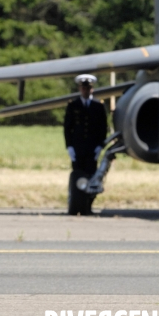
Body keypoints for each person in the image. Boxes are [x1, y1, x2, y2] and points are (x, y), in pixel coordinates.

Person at [64, 74, 108, 215]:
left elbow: (103, 128)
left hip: (91, 149)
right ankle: (76, 205)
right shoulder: (73, 106)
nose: (85, 90)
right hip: (78, 149)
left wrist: (100, 146)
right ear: (80, 89)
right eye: (83, 88)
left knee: (91, 177)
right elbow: (67, 128)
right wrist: (69, 146)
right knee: (77, 176)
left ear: (92, 89)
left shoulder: (98, 106)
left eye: (88, 88)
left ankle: (88, 206)